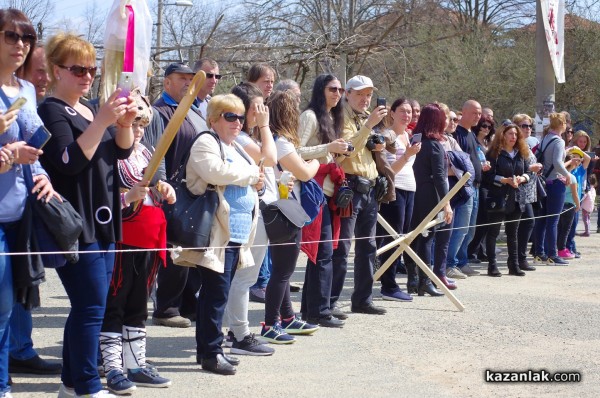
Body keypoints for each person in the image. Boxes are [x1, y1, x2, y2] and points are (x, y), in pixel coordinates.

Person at [39, 32, 137, 397]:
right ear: (55, 70)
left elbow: (121, 154)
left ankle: (70, 382)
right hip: (76, 222)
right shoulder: (50, 109)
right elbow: (68, 162)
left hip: (104, 218)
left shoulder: (89, 108)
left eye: (91, 70)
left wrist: (123, 123)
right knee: (91, 307)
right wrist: (102, 121)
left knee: (89, 306)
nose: (86, 76)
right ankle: (86, 384)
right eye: (77, 69)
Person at [172, 94, 264, 375]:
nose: (237, 122)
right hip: (216, 233)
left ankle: (209, 350)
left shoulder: (236, 146)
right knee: (215, 294)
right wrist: (250, 175)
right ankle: (211, 353)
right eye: (229, 116)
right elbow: (215, 172)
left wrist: (254, 179)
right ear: (213, 119)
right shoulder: (206, 141)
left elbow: (260, 170)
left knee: (215, 293)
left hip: (234, 233)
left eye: (239, 117)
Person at [0, 9, 60, 397]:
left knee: (8, 306)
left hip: (20, 215)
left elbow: (37, 144)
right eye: (10, 36)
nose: (20, 45)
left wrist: (43, 178)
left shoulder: (24, 91)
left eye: (26, 38)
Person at [99, 102, 175, 393]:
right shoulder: (110, 155)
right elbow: (102, 199)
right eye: (134, 124)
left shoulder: (145, 152)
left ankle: (136, 364)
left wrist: (164, 189)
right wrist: (126, 196)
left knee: (138, 304)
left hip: (149, 236)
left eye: (143, 125)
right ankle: (113, 367)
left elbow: (155, 186)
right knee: (115, 302)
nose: (139, 130)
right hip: (122, 237)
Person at [260, 90, 320, 343]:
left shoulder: (270, 140)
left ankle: (287, 317)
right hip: (283, 209)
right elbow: (305, 173)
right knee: (283, 270)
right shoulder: (281, 142)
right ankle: (270, 323)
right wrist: (319, 160)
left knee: (281, 268)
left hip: (279, 206)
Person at [223, 81, 276, 355]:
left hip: (259, 208)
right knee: (245, 276)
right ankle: (239, 334)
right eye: (257, 107)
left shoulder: (247, 137)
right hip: (250, 213)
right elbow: (270, 157)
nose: (262, 111)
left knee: (245, 275)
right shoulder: (242, 139)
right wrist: (265, 126)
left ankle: (237, 331)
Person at [152, 63, 206, 329]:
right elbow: (155, 152)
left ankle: (187, 303)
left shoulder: (194, 110)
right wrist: (161, 183)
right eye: (181, 78)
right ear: (167, 83)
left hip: (193, 189)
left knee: (191, 247)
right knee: (174, 249)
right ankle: (166, 307)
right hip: (169, 188)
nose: (188, 83)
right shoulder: (159, 112)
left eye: (190, 78)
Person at [330, 75, 387, 316]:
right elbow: (346, 152)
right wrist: (368, 127)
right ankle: (329, 302)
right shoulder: (340, 117)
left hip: (370, 187)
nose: (365, 99)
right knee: (342, 248)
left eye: (369, 95)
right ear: (347, 94)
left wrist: (378, 142)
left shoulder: (366, 118)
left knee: (369, 247)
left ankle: (362, 299)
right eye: (360, 94)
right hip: (349, 187)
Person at [296, 74, 348, 327]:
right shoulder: (309, 116)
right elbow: (294, 151)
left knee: (323, 253)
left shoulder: (333, 117)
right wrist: (328, 148)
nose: (337, 93)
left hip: (328, 191)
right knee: (323, 253)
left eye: (340, 89)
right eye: (332, 89)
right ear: (320, 90)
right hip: (311, 189)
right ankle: (320, 311)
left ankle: (311, 310)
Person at [376, 98, 420, 300]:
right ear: (392, 113)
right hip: (395, 190)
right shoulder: (387, 135)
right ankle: (388, 285)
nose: (407, 115)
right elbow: (388, 171)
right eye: (402, 111)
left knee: (403, 237)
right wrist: (407, 155)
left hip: (410, 189)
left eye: (409, 111)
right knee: (394, 238)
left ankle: (391, 281)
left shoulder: (408, 135)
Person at [410, 104, 453, 295]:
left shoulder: (415, 141)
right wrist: (447, 203)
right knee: (426, 238)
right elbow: (439, 177)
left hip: (414, 194)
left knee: (415, 239)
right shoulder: (434, 145)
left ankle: (414, 279)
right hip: (428, 197)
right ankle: (424, 281)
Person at [482, 124, 532, 277]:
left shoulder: (521, 153)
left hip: (516, 198)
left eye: (516, 134)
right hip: (498, 197)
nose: (513, 137)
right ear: (502, 135)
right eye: (510, 134)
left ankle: (514, 265)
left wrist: (522, 178)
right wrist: (504, 180)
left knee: (513, 233)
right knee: (493, 233)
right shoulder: (494, 153)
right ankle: (492, 266)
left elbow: (528, 172)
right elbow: (488, 177)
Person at [447, 100, 487, 279]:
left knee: (470, 228)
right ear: (463, 112)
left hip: (476, 186)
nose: (477, 116)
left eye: (479, 113)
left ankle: (462, 261)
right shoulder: (458, 134)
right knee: (460, 227)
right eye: (474, 113)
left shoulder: (472, 134)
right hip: (463, 186)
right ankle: (450, 264)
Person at [533, 112, 571, 266]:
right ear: (562, 125)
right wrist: (567, 175)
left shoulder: (545, 139)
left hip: (543, 183)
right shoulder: (559, 141)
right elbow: (557, 162)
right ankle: (552, 254)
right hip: (555, 183)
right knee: (553, 220)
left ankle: (539, 252)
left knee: (541, 219)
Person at [467, 115, 496, 263]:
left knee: (486, 218)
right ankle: (471, 251)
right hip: (479, 182)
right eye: (483, 125)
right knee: (480, 218)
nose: (486, 129)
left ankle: (479, 249)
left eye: (489, 127)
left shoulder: (489, 142)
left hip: (488, 182)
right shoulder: (472, 139)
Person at [556, 152, 581, 259]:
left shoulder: (558, 176)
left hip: (559, 205)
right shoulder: (572, 177)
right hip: (570, 206)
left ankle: (557, 248)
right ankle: (562, 249)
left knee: (558, 228)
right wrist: (578, 204)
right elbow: (575, 194)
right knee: (566, 229)